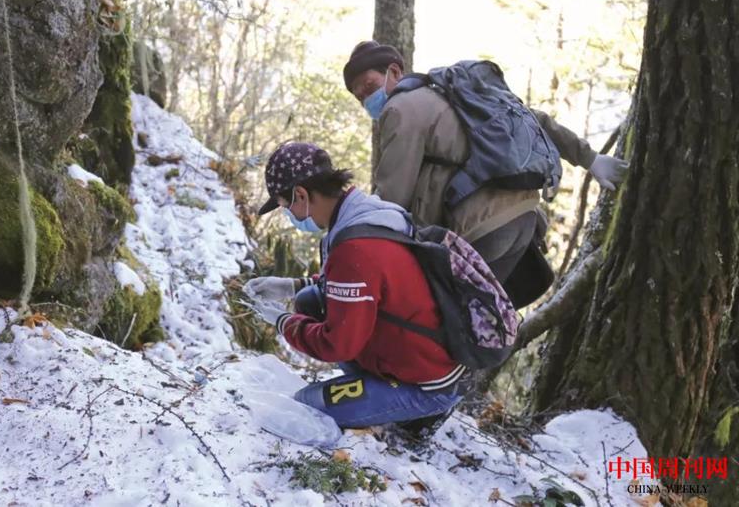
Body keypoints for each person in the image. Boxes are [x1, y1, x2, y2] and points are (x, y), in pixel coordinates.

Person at [342, 40, 629, 284]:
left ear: (394, 71)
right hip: (526, 217)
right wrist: (590, 158)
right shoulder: (451, 94)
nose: (367, 98)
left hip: (480, 230)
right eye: (360, 96)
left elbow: (392, 197)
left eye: (370, 85)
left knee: (451, 323)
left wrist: (354, 232)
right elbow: (533, 119)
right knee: (489, 317)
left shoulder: (399, 108)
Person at [245, 141, 464, 436]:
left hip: (426, 382)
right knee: (310, 299)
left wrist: (283, 323)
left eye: (286, 206)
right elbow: (356, 286)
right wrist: (292, 286)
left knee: (306, 405)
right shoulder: (365, 213)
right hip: (414, 347)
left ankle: (418, 411)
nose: (288, 214)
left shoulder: (355, 249)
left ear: (301, 195)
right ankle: (376, 390)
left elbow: (336, 345)